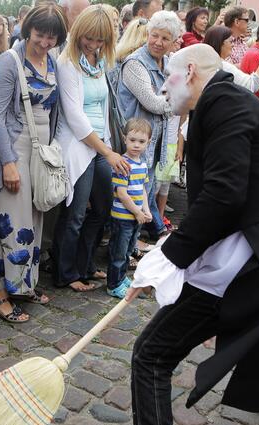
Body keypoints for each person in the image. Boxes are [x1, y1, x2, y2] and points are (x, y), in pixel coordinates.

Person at [115, 44, 259, 425]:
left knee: (152, 353)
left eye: (167, 77)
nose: (163, 87)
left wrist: (170, 257)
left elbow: (225, 195)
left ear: (189, 72)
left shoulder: (223, 101)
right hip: (249, 250)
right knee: (164, 348)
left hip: (257, 257)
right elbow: (223, 196)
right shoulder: (221, 103)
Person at [0, 4, 67, 323]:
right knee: (9, 221)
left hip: (40, 150)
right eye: (40, 35)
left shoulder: (52, 60)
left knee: (34, 219)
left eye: (51, 38)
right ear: (29, 29)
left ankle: (24, 283)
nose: (44, 42)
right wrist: (8, 163)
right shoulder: (8, 62)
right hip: (13, 146)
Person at [53, 5, 128, 293]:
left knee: (102, 209)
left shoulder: (98, 61)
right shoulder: (67, 62)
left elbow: (103, 107)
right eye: (90, 38)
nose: (94, 44)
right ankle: (65, 272)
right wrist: (107, 151)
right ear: (79, 33)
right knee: (75, 214)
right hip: (78, 146)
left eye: (100, 40)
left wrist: (108, 146)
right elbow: (75, 116)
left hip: (101, 145)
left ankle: (85, 265)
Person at [117, 11, 181, 245]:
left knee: (147, 190)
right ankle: (131, 245)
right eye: (154, 35)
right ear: (147, 34)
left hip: (154, 141)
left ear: (173, 41)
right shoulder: (135, 63)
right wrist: (179, 99)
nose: (158, 42)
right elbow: (153, 103)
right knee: (133, 195)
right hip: (135, 143)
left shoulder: (167, 61)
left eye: (165, 38)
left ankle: (137, 242)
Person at [107, 119, 153, 298]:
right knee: (118, 253)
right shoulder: (122, 164)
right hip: (123, 217)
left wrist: (146, 210)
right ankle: (113, 285)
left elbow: (142, 189)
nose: (136, 145)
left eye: (141, 142)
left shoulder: (142, 165)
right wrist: (137, 212)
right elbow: (122, 194)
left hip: (136, 217)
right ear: (124, 139)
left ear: (148, 142)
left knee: (127, 251)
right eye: (132, 140)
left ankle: (121, 278)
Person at [203, 25, 259, 93]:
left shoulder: (207, 62)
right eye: (230, 41)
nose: (233, 45)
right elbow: (252, 85)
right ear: (220, 43)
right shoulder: (222, 65)